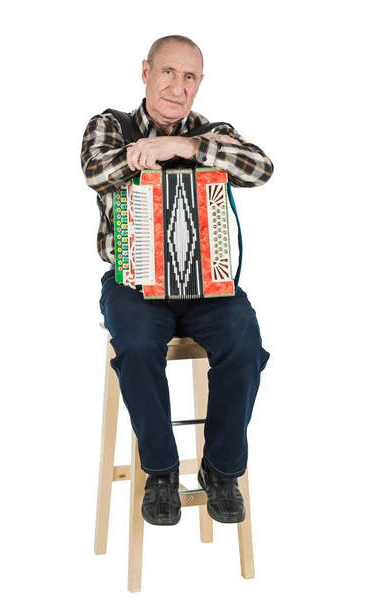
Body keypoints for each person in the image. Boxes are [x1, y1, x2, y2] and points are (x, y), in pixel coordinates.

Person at [80, 34, 274, 527]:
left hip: (207, 286)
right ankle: (161, 471)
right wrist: (143, 151)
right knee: (138, 349)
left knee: (244, 342)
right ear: (146, 72)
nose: (177, 86)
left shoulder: (213, 132)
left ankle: (222, 469)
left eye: (189, 77)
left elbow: (261, 168)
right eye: (168, 72)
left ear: (199, 84)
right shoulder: (111, 125)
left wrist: (184, 145)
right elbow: (96, 172)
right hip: (134, 286)